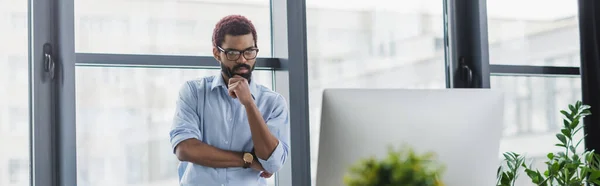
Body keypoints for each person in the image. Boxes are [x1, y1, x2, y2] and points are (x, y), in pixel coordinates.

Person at [169, 15, 290, 186]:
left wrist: (249, 103)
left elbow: (273, 162)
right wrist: (246, 159)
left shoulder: (273, 103)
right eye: (233, 53)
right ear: (217, 53)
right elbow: (185, 149)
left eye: (249, 51)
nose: (243, 60)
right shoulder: (193, 93)